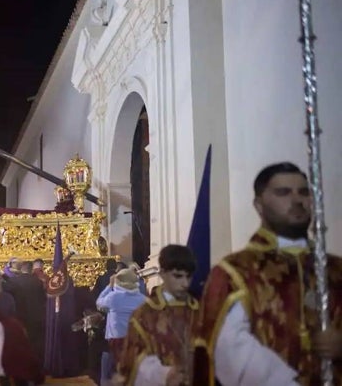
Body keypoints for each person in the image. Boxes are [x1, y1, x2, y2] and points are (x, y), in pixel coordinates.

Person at [194, 162, 342, 385]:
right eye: (283, 192)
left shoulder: (335, 268)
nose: (297, 200)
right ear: (259, 205)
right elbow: (229, 349)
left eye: (303, 192)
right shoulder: (236, 271)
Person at [116, 244, 199, 386]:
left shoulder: (198, 309)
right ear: (162, 274)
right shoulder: (146, 313)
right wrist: (163, 375)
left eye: (188, 277)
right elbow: (132, 360)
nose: (185, 283)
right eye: (178, 276)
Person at [95, 267, 146, 384]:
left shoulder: (114, 297)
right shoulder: (143, 300)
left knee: (109, 376)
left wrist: (109, 286)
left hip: (115, 342)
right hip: (135, 342)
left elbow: (99, 302)